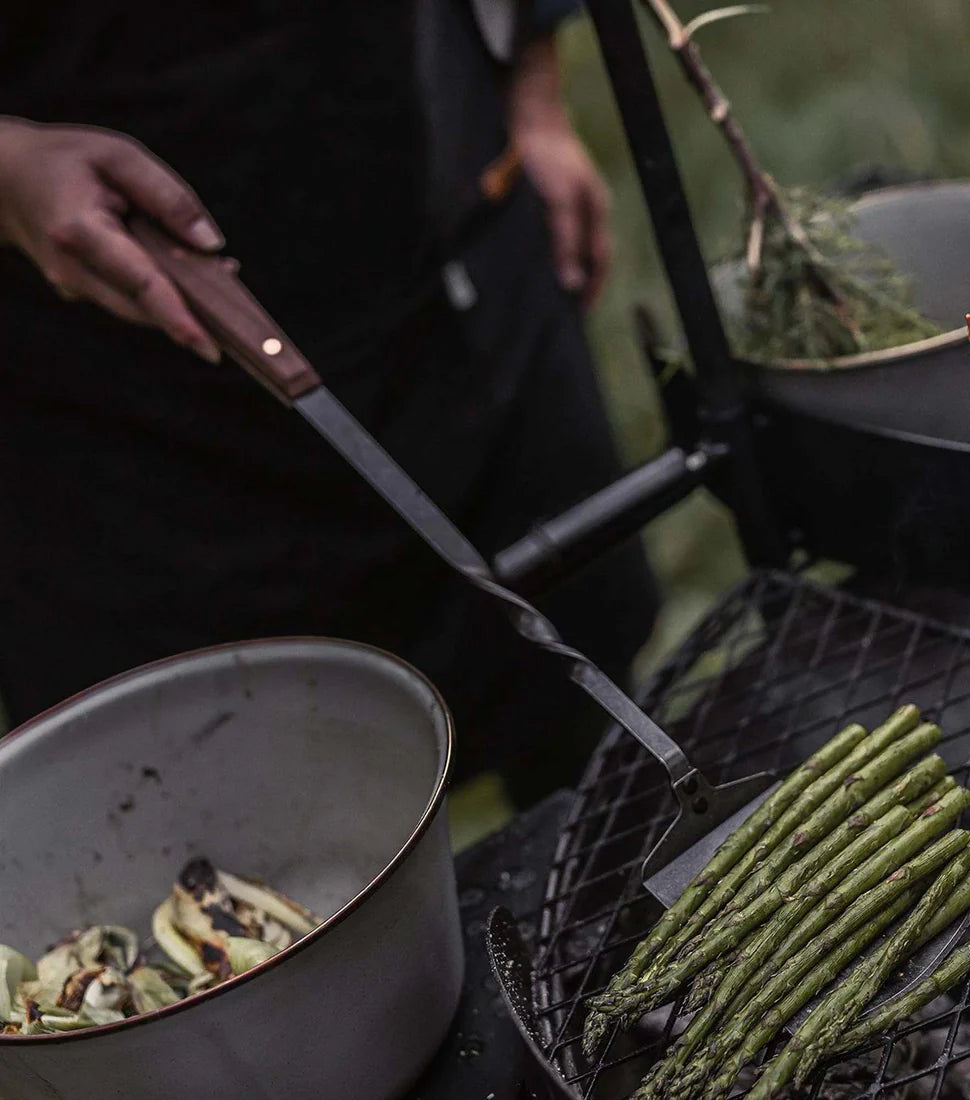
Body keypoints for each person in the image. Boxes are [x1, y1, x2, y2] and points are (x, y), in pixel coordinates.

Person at [0, 3, 659, 806]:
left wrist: (533, 91)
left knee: (596, 745)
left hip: (453, 244)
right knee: (203, 839)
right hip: (114, 411)